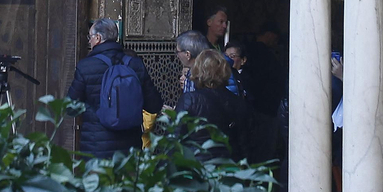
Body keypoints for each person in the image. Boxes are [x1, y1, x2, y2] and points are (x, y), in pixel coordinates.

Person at [67, 18, 162, 158]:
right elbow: (154, 105)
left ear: (98, 38)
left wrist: (93, 109)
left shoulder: (85, 66)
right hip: (130, 148)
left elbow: (70, 107)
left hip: (96, 147)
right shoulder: (135, 64)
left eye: (90, 37)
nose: (89, 41)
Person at [178, 49, 249, 160]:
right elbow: (243, 143)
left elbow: (174, 138)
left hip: (196, 165)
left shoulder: (190, 99)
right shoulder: (237, 102)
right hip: (227, 165)